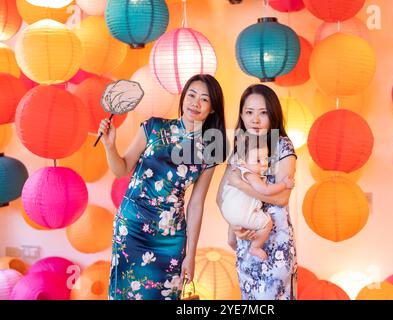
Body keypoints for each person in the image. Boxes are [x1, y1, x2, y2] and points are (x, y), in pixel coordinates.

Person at [99, 74, 226, 300]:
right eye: (191, 95)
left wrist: (190, 254)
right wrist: (110, 146)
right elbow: (122, 168)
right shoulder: (153, 127)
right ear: (183, 98)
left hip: (170, 237)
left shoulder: (210, 149)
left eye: (204, 99)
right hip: (132, 228)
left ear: (213, 108)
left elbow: (196, 204)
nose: (195, 103)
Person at [217, 84, 297, 300]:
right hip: (248, 241)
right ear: (242, 115)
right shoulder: (240, 148)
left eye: (263, 113)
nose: (255, 119)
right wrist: (234, 226)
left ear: (273, 115)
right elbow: (220, 197)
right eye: (249, 112)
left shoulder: (282, 145)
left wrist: (242, 185)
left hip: (275, 245)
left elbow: (281, 197)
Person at [220, 138, 294, 260]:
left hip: (229, 213)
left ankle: (238, 238)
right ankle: (255, 246)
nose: (264, 163)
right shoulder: (250, 175)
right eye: (258, 160)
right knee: (267, 223)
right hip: (240, 216)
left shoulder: (237, 171)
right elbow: (266, 190)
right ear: (243, 162)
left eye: (266, 159)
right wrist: (284, 184)